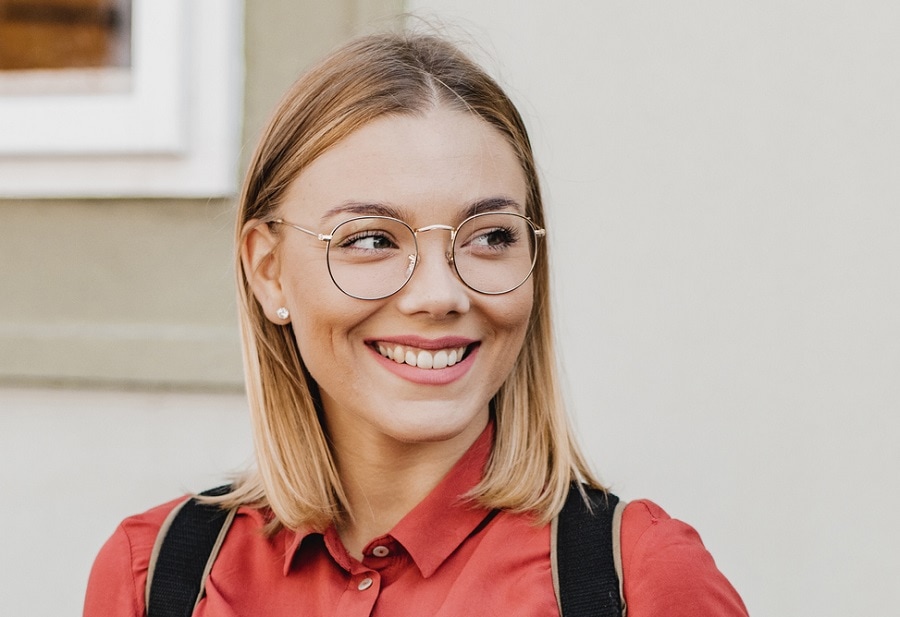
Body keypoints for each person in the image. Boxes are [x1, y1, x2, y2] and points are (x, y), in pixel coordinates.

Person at [84, 30, 749, 616]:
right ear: (268, 270)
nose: (440, 294)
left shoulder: (639, 581)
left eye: (489, 236)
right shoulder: (155, 577)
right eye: (372, 240)